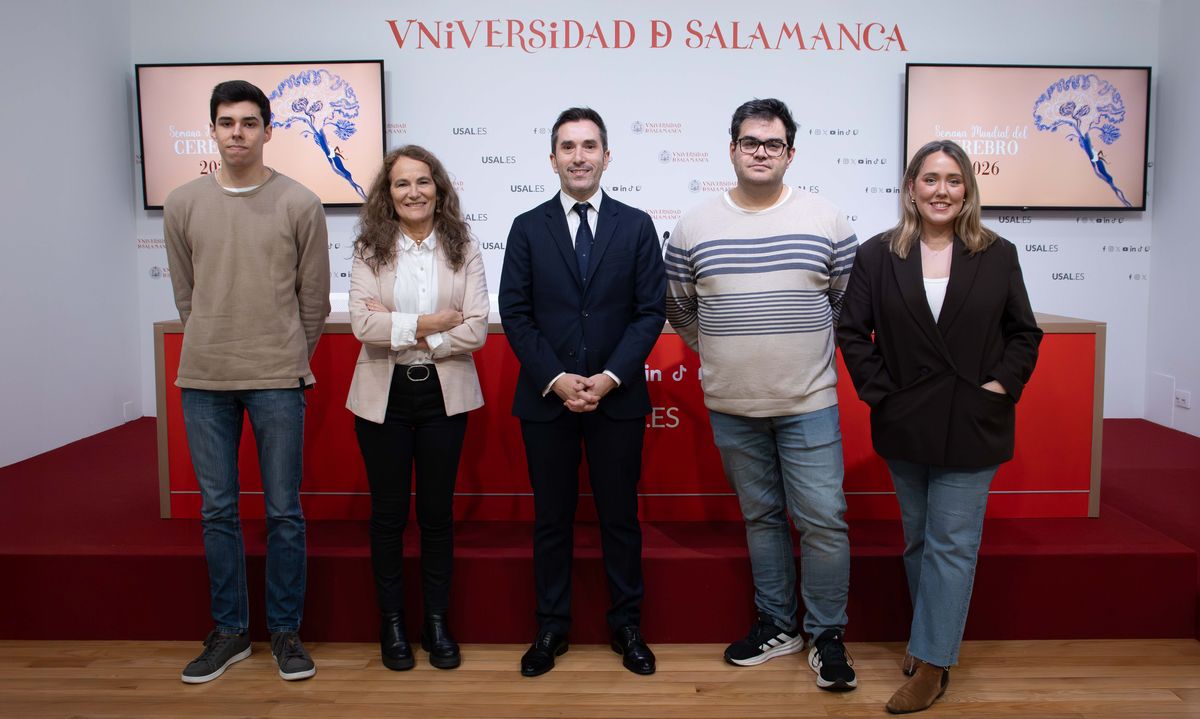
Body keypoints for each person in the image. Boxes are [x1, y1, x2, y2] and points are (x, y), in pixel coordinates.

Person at [836, 140, 1042, 714]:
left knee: (951, 543)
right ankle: (929, 637)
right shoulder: (878, 254)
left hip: (972, 421)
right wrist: (884, 395)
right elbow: (852, 332)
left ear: (968, 189)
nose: (941, 190)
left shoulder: (997, 253)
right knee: (921, 540)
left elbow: (1024, 333)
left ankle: (932, 663)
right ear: (911, 188)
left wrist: (999, 386)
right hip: (906, 422)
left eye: (953, 180)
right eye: (930, 179)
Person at [664, 98, 858, 691]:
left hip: (809, 403)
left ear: (790, 153)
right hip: (733, 405)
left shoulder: (828, 220)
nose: (761, 152)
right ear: (732, 149)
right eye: (750, 142)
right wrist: (724, 350)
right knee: (762, 518)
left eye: (773, 144)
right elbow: (680, 308)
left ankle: (827, 636)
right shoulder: (693, 227)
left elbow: (845, 304)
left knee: (824, 522)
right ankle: (778, 625)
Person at [164, 80, 329, 684]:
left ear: (267, 130)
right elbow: (186, 293)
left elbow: (313, 299)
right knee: (217, 510)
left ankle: (285, 631)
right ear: (213, 130)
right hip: (204, 377)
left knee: (284, 511)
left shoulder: (300, 202)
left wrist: (285, 354)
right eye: (227, 122)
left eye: (249, 122)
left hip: (277, 378)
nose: (238, 133)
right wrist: (212, 338)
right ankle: (230, 632)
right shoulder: (182, 202)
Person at [498, 107, 666, 677]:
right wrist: (556, 378)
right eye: (568, 147)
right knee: (552, 520)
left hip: (617, 399)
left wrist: (610, 377)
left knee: (620, 518)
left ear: (606, 156)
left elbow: (650, 312)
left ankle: (627, 626)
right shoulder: (527, 226)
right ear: (552, 159)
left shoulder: (636, 225)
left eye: (589, 146)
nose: (579, 156)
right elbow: (516, 313)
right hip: (546, 399)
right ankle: (551, 627)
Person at [346, 145, 489, 671]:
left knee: (436, 515)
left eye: (423, 181)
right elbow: (363, 326)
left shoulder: (464, 246)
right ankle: (392, 624)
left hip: (443, 395)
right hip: (382, 395)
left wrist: (407, 330)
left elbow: (476, 327)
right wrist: (434, 322)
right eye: (402, 183)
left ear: (438, 189)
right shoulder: (370, 249)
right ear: (388, 195)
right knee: (388, 517)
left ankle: (435, 622)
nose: (414, 192)